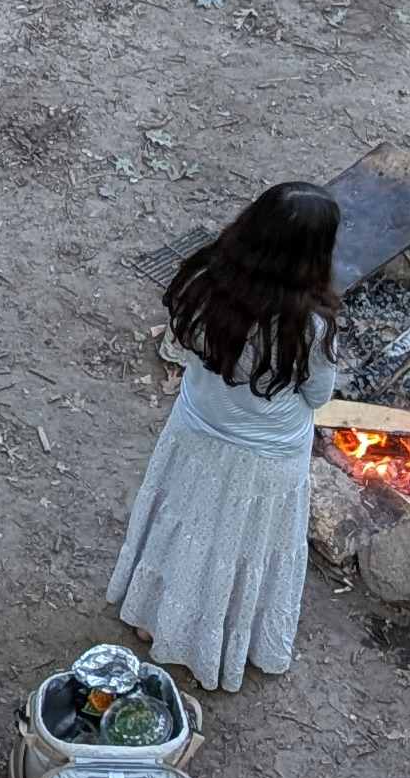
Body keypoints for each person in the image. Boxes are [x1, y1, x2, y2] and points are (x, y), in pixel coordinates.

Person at [105, 181, 341, 692]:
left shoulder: (207, 277)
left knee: (186, 522)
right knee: (236, 544)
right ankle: (216, 642)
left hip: (196, 430)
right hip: (263, 458)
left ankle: (154, 616)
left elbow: (186, 348)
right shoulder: (309, 326)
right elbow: (318, 396)